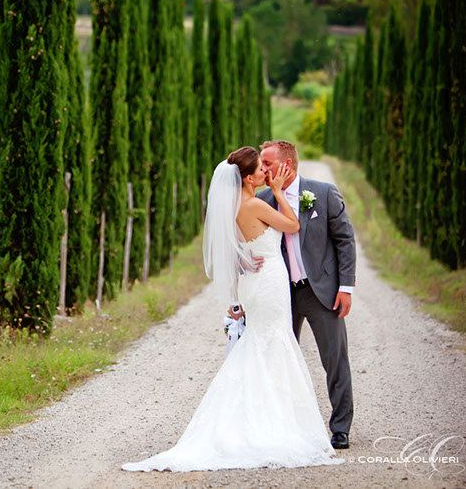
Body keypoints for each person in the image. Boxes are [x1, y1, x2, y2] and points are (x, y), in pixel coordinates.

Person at [122, 147, 343, 472]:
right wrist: (280, 192)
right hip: (267, 283)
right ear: (247, 176)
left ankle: (259, 414)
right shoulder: (254, 203)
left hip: (255, 284)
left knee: (260, 344)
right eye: (259, 170)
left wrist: (241, 257)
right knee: (272, 344)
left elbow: (232, 246)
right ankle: (267, 422)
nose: (265, 174)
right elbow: (293, 225)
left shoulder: (233, 207)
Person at [256, 140, 355, 450]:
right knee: (278, 359)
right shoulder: (262, 200)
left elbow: (345, 241)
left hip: (321, 291)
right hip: (280, 293)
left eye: (268, 164)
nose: (263, 169)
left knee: (335, 360)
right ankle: (281, 426)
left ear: (288, 165)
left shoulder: (323, 193)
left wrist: (346, 287)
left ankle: (340, 428)